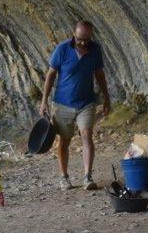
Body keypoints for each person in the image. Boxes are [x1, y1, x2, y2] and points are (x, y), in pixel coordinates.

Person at [39, 20, 112, 191]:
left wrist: (107, 98)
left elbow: (99, 75)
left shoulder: (95, 50)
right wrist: (44, 101)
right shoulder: (62, 49)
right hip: (62, 103)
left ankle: (87, 176)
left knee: (86, 135)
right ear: (74, 34)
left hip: (86, 102)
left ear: (91, 36)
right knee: (64, 140)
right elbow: (50, 76)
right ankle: (64, 177)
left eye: (86, 39)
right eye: (80, 39)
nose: (83, 42)